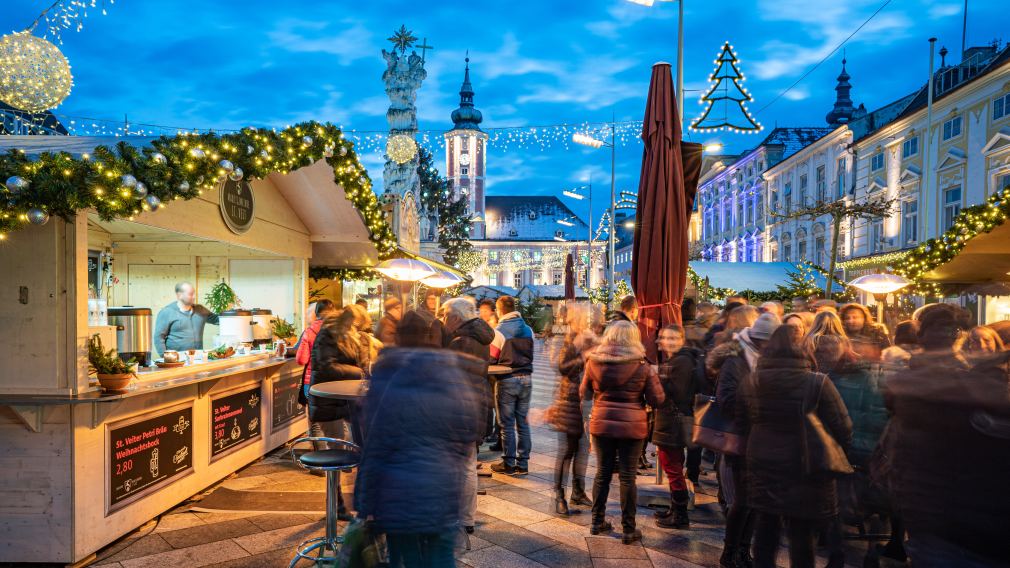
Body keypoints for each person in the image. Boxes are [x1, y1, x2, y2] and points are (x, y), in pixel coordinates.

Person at [354, 311, 488, 567]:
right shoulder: (451, 371)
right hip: (442, 491)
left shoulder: (385, 375)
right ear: (428, 336)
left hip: (397, 497)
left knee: (404, 559)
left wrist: (364, 501)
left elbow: (375, 443)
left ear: (399, 339)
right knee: (440, 558)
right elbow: (469, 426)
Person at [884, 304, 1010, 565]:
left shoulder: (920, 380)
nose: (947, 336)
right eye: (939, 330)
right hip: (947, 515)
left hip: (943, 513)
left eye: (951, 330)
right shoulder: (924, 383)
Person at [742, 325, 853, 568]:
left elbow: (745, 417)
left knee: (766, 527)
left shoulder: (753, 380)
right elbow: (843, 426)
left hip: (762, 457)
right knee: (801, 532)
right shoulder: (817, 382)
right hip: (805, 462)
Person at [580, 320, 664, 544]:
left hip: (602, 424)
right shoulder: (642, 366)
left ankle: (597, 522)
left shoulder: (593, 362)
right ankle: (629, 528)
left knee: (602, 473)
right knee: (627, 476)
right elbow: (657, 399)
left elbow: (585, 394)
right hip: (632, 426)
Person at [715, 312, 780, 568]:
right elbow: (727, 400)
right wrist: (758, 407)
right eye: (763, 342)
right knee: (743, 499)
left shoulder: (771, 361)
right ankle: (729, 551)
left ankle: (744, 550)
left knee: (755, 500)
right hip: (741, 438)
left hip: (765, 439)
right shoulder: (736, 361)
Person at [441, 297, 495, 535]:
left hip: (459, 407)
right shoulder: (480, 337)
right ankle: (467, 518)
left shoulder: (460, 342)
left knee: (458, 466)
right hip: (477, 404)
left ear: (455, 317)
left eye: (445, 315)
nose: (443, 320)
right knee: (468, 465)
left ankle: (458, 516)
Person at [309, 306, 370, 521]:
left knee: (356, 449)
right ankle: (337, 506)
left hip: (348, 402)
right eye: (357, 325)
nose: (359, 329)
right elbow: (327, 367)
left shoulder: (351, 337)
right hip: (329, 402)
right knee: (336, 453)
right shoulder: (328, 334)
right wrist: (360, 372)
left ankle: (356, 504)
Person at [652, 324, 704, 529]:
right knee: (673, 464)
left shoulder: (681, 361)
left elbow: (678, 393)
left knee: (671, 466)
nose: (669, 342)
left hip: (673, 421)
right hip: (676, 420)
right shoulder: (682, 359)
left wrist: (658, 381)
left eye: (674, 338)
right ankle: (675, 509)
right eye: (666, 338)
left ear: (682, 339)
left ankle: (680, 515)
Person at [548, 303, 597, 515]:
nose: (587, 321)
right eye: (583, 317)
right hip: (567, 400)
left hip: (586, 398)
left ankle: (578, 491)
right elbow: (560, 367)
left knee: (583, 449)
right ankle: (559, 495)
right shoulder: (564, 338)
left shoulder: (588, 336)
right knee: (567, 450)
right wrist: (582, 355)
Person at [490, 295, 535, 475]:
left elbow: (492, 357)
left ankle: (508, 463)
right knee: (523, 423)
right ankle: (523, 464)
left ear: (500, 309)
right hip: (527, 379)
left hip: (507, 379)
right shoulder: (528, 330)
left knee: (507, 424)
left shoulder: (499, 331)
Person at [295, 299, 340, 451]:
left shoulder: (309, 332)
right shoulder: (341, 330)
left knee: (315, 421)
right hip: (335, 381)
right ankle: (340, 457)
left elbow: (301, 359)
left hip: (313, 381)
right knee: (338, 420)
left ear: (316, 314)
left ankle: (319, 463)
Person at [153, 282, 219, 354]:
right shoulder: (167, 312)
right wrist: (165, 357)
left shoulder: (200, 310)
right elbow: (158, 337)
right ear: (179, 295)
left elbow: (217, 320)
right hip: (176, 360)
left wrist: (231, 314)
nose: (194, 297)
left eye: (194, 294)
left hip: (197, 357)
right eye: (190, 294)